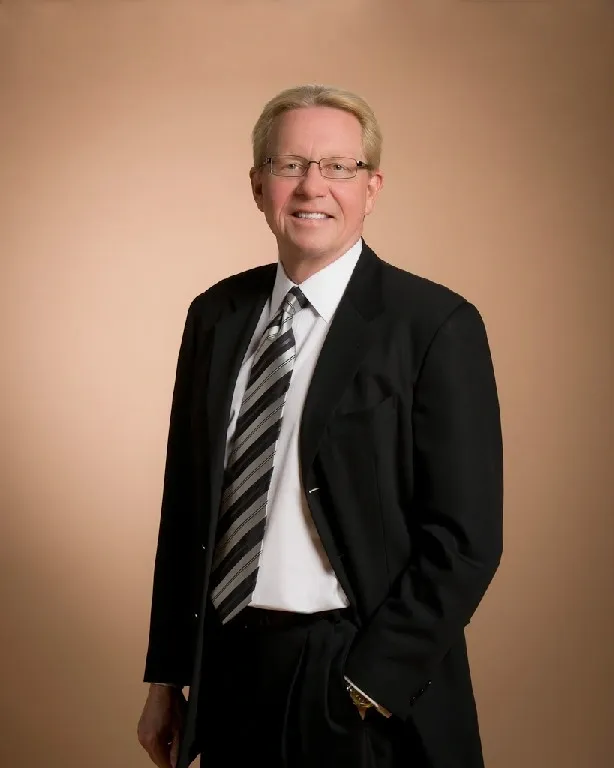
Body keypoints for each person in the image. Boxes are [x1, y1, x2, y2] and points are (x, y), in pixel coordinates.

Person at [137, 84, 503, 768]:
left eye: (338, 167)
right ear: (257, 186)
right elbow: (187, 509)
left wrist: (369, 684)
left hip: (352, 677)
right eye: (290, 165)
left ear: (372, 187)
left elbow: (466, 539)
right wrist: (167, 675)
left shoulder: (434, 326)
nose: (313, 186)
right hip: (229, 667)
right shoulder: (215, 315)